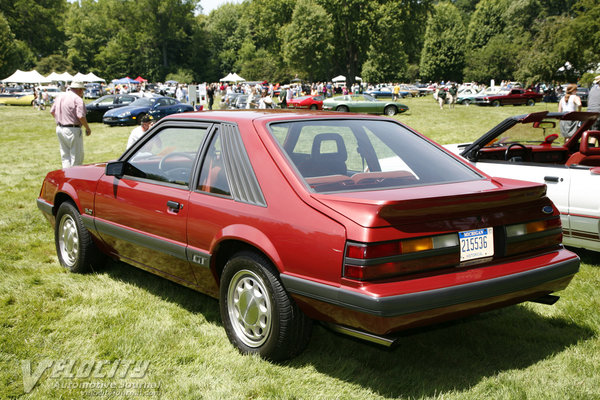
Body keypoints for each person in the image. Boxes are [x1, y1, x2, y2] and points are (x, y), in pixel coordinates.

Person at [50, 81, 92, 168]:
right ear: (80, 90)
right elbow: (81, 116)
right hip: (72, 129)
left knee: (65, 155)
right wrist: (87, 128)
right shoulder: (77, 99)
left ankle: (67, 175)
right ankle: (75, 177)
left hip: (60, 128)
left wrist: (60, 119)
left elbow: (52, 111)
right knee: (77, 156)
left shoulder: (60, 96)